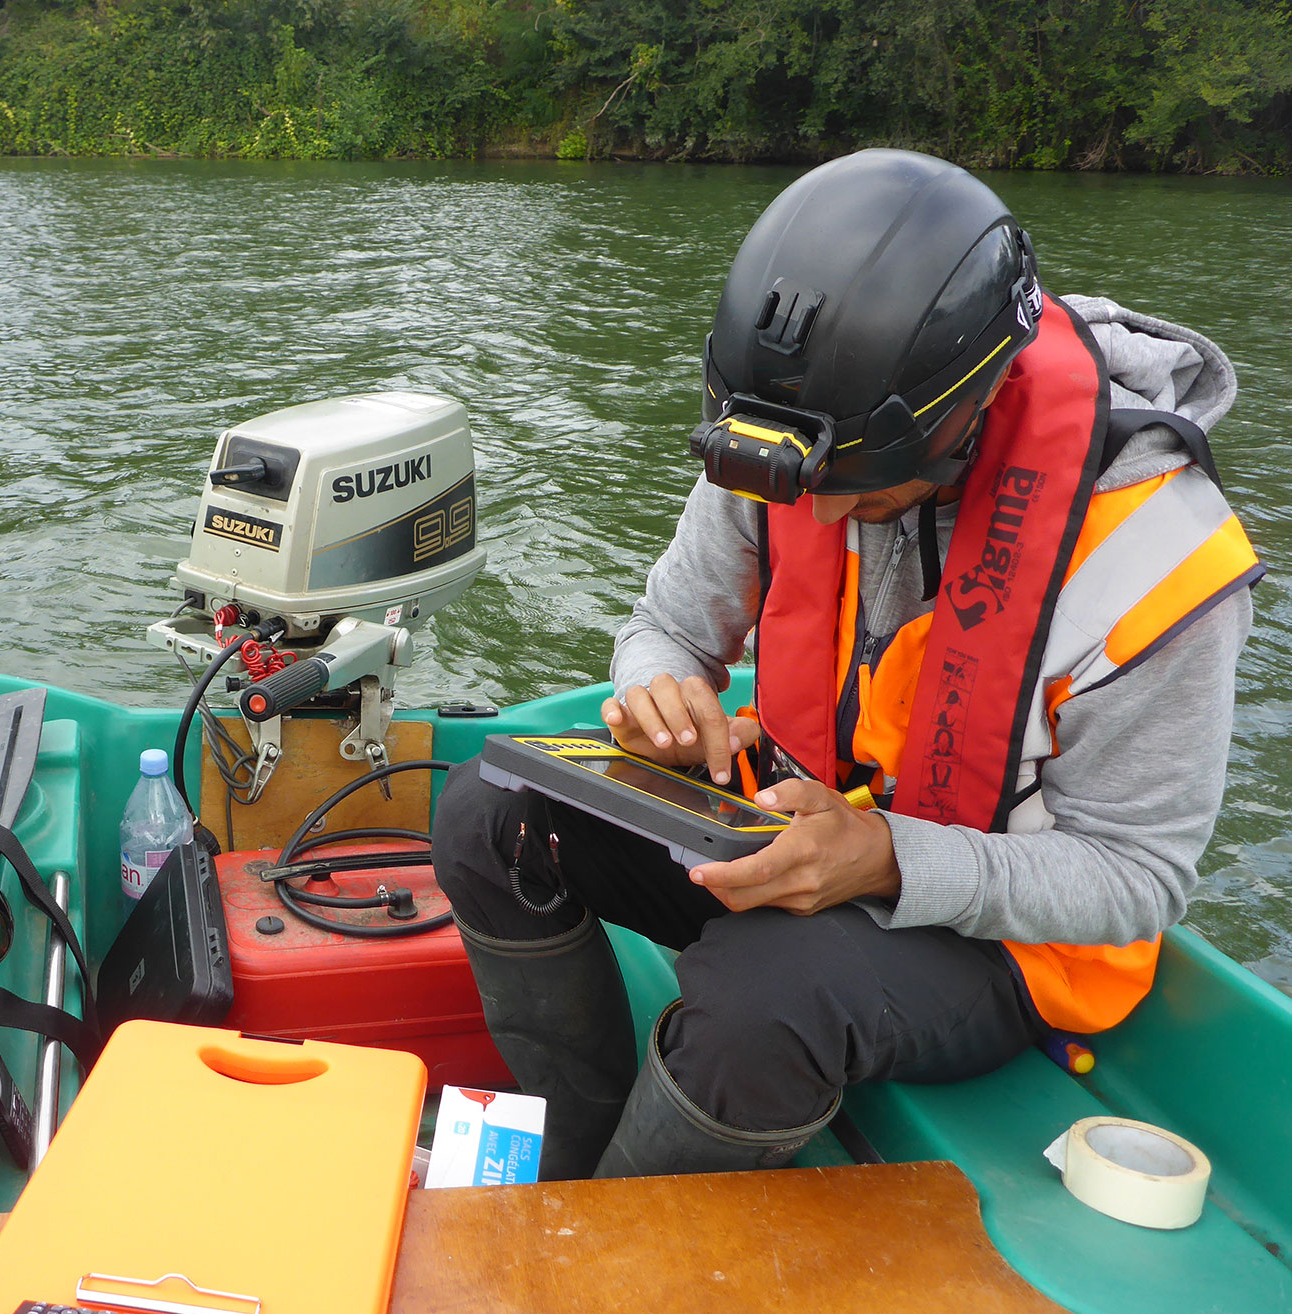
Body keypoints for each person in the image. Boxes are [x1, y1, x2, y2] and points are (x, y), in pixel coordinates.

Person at [432, 148, 1262, 1181]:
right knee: (486, 807)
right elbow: (666, 626)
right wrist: (658, 692)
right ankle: (577, 1138)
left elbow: (1136, 878)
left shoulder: (1161, 559)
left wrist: (879, 857)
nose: (813, 512)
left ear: (962, 419)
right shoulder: (791, 437)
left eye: (861, 492)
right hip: (781, 824)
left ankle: (611, 1247)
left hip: (991, 934)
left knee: (761, 991)